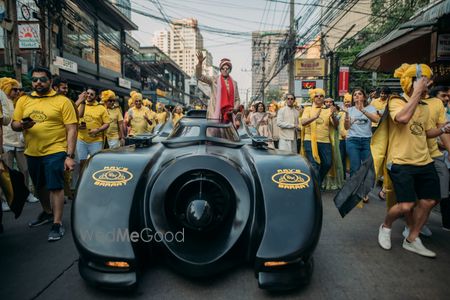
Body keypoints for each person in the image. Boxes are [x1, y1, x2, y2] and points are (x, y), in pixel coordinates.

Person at [377, 63, 446, 257]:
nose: (428, 85)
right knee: (406, 205)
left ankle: (412, 238)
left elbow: (425, 132)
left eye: (428, 82)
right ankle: (386, 226)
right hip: (400, 161)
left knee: (430, 200)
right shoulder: (396, 100)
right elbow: (403, 118)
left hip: (424, 161)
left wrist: (443, 129)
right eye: (423, 81)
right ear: (412, 82)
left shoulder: (425, 106)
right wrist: (416, 92)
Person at [11, 67, 78, 241]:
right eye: (34, 80)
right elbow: (14, 124)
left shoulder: (63, 101)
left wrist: (69, 155)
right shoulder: (23, 100)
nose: (38, 83)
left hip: (55, 150)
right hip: (32, 151)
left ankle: (57, 223)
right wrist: (23, 126)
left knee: (55, 186)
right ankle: (48, 212)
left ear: (50, 81)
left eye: (42, 79)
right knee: (39, 185)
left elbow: (71, 128)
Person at [0, 78, 39, 207]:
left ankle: (27, 193)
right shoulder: (1, 101)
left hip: (20, 141)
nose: (17, 92)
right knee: (6, 173)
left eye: (18, 89)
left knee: (25, 170)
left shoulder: (20, 101)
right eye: (14, 89)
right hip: (6, 141)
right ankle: (5, 199)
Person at [301, 89, 338, 185]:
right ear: (313, 98)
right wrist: (314, 117)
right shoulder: (308, 109)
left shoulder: (328, 110)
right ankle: (316, 187)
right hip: (309, 140)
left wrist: (333, 114)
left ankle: (317, 182)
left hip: (325, 141)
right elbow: (303, 122)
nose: (319, 98)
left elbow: (336, 125)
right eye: (316, 96)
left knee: (327, 163)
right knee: (314, 164)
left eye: (321, 96)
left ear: (323, 98)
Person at [343, 88, 379, 178]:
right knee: (355, 167)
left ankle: (366, 190)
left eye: (359, 94)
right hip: (352, 140)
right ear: (353, 98)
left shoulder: (371, 108)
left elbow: (376, 119)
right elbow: (346, 127)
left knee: (368, 167)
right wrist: (347, 117)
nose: (357, 96)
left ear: (364, 97)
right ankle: (354, 191)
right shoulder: (350, 110)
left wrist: (362, 110)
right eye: (355, 94)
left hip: (367, 140)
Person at [196, 51, 240, 124]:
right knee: (212, 134)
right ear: (220, 70)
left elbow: (237, 99)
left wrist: (235, 108)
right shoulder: (214, 80)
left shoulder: (234, 83)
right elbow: (199, 76)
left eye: (227, 68)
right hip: (215, 112)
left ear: (230, 70)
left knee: (227, 135)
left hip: (229, 114)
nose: (225, 70)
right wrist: (200, 63)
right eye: (223, 68)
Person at [75, 88, 110, 170]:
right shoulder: (81, 104)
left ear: (96, 96)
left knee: (95, 163)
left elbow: (107, 123)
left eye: (92, 94)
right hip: (81, 139)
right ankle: (82, 180)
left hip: (96, 141)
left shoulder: (101, 108)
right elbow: (73, 119)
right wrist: (78, 126)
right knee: (81, 163)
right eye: (88, 93)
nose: (89, 96)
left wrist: (97, 130)